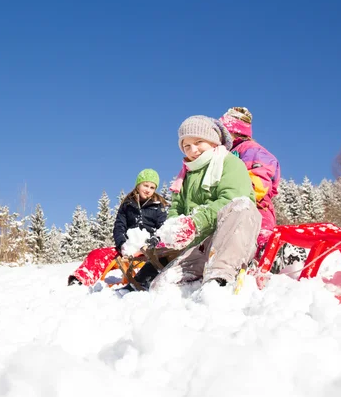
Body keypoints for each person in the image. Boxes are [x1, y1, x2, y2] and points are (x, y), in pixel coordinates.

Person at [149, 115, 262, 291]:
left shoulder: (230, 163)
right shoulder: (185, 175)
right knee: (160, 287)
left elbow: (230, 199)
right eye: (186, 146)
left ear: (213, 141)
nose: (193, 150)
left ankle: (220, 280)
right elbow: (176, 208)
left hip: (230, 237)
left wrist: (195, 222)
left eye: (199, 142)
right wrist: (174, 229)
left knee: (241, 206)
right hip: (200, 245)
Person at [67, 169, 168, 286]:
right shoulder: (127, 205)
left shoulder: (158, 207)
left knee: (161, 258)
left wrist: (153, 242)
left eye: (152, 187)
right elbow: (119, 226)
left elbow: (163, 228)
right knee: (98, 254)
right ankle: (80, 280)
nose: (148, 190)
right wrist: (122, 245)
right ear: (138, 185)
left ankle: (144, 282)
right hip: (127, 248)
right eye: (146, 185)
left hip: (148, 249)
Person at [219, 107, 281, 251]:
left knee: (257, 239)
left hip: (257, 207)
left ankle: (265, 259)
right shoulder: (226, 153)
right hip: (232, 207)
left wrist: (243, 194)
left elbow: (261, 179)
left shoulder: (251, 149)